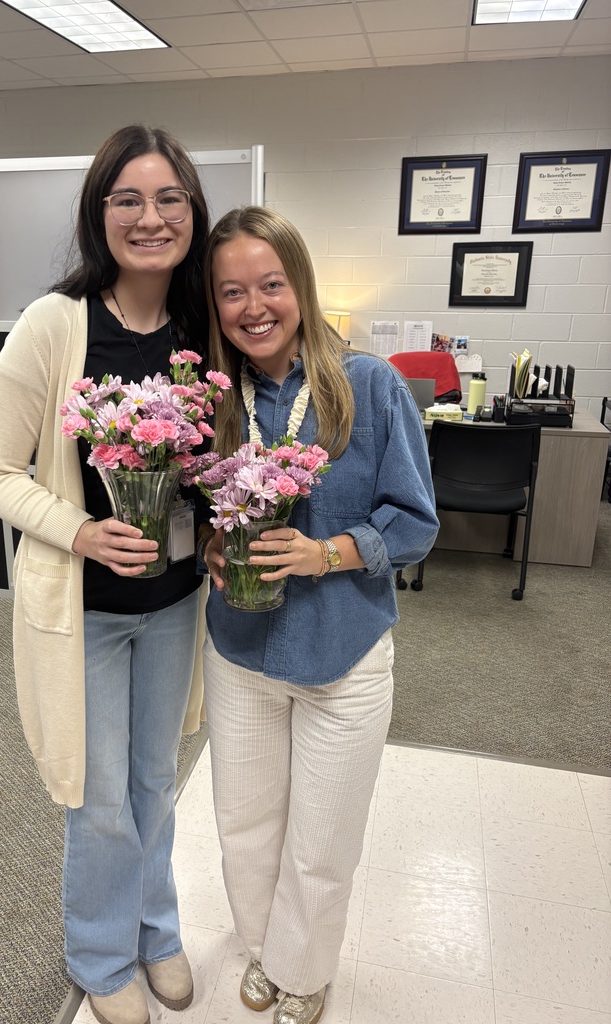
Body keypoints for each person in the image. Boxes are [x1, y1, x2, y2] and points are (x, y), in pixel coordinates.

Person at [0, 125, 210, 1024]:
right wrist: (80, 532)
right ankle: (102, 955)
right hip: (89, 610)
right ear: (98, 212)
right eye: (128, 200)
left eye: (169, 199)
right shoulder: (54, 326)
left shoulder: (200, 330)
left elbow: (215, 462)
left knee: (157, 779)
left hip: (177, 602)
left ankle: (158, 929)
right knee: (99, 795)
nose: (150, 218)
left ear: (192, 211)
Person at [200, 206, 439, 1024]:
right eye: (233, 291)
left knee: (322, 841)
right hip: (240, 651)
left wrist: (326, 552)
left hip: (343, 652)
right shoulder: (211, 400)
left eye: (270, 284)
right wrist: (208, 550)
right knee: (245, 826)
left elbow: (414, 522)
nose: (253, 306)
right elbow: (195, 512)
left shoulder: (367, 385)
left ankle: (306, 969)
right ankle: (266, 948)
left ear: (298, 285)